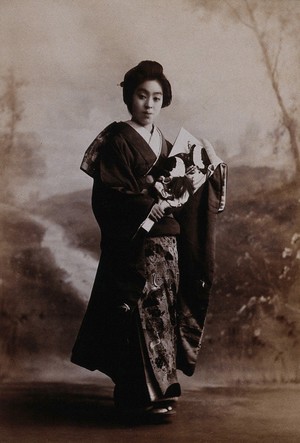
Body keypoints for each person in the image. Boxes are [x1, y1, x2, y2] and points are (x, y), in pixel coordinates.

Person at [71, 60, 227, 420]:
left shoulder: (168, 145)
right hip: (134, 245)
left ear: (164, 101)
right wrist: (146, 206)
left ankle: (162, 390)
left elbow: (187, 193)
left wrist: (210, 170)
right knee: (135, 316)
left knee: (163, 317)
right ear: (129, 97)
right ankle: (133, 394)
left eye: (157, 97)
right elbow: (109, 193)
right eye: (142, 96)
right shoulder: (117, 140)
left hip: (167, 247)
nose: (149, 104)